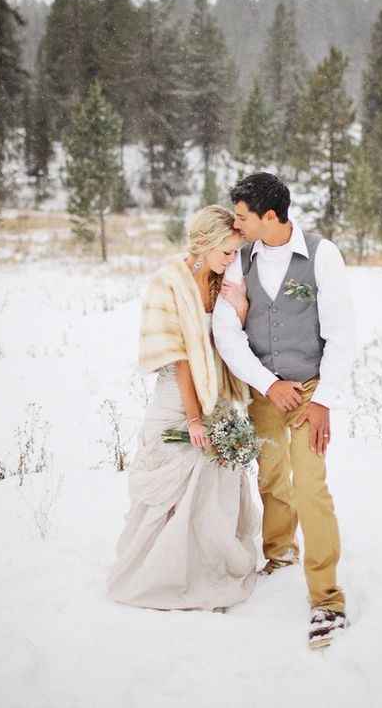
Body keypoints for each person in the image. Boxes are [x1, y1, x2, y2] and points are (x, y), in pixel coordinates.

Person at [212, 173, 355, 648]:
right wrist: (268, 384)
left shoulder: (321, 255)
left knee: (310, 486)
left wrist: (324, 400)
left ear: (269, 216)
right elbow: (226, 331)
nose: (236, 224)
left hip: (310, 391)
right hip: (266, 392)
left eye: (242, 216)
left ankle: (327, 599)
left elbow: (341, 333)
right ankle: (279, 555)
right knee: (271, 476)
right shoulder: (241, 257)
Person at [107, 205, 259, 612]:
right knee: (171, 480)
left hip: (219, 389)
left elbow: (229, 342)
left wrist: (240, 309)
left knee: (215, 484)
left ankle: (209, 567)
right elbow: (179, 359)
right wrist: (194, 419)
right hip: (178, 394)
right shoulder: (168, 283)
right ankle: (159, 575)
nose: (233, 260)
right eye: (227, 252)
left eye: (236, 252)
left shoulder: (224, 281)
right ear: (205, 243)